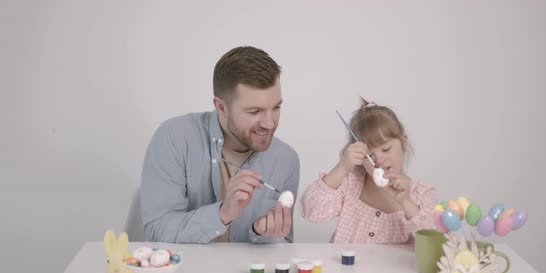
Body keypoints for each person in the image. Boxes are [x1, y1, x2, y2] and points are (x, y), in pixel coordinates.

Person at [141, 46, 300, 243]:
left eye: (276, 107)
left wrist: (261, 234)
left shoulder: (286, 160)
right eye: (254, 111)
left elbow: (284, 245)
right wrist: (221, 214)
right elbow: (157, 231)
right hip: (185, 271)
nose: (269, 123)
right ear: (221, 107)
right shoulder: (175, 138)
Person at [300, 98, 436, 243]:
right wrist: (342, 167)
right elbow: (311, 212)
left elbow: (435, 241)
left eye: (385, 149)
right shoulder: (351, 184)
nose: (378, 160)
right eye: (369, 155)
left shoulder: (421, 194)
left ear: (403, 142)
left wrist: (405, 201)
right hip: (345, 266)